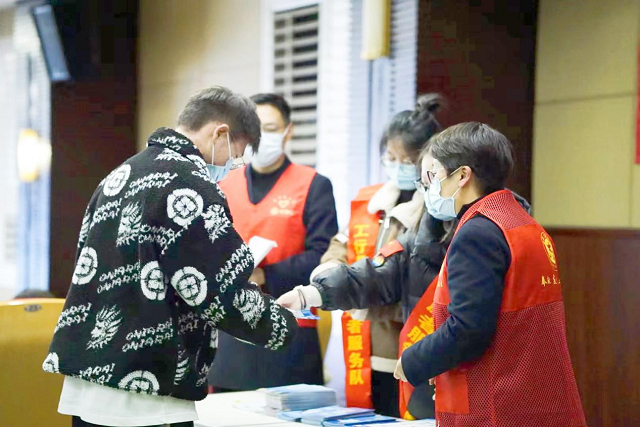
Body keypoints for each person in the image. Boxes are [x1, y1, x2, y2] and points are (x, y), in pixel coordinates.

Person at [282, 122, 585, 426]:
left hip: (497, 399)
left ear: (462, 175)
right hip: (536, 392)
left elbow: (469, 328)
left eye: (430, 175)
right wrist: (312, 293)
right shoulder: (521, 224)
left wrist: (414, 360)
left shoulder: (477, 232)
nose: (425, 186)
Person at [42, 87, 299, 427]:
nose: (229, 168)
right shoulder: (191, 185)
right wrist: (283, 324)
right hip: (147, 390)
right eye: (234, 157)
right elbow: (220, 289)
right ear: (220, 134)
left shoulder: (119, 175)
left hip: (88, 383)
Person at [312, 94, 443, 417]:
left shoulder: (437, 211)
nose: (397, 167)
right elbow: (340, 243)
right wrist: (330, 270)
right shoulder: (371, 201)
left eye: (407, 161)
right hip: (364, 340)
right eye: (391, 158)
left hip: (408, 343)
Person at [208, 93, 338, 390]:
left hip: (290, 329)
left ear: (288, 131)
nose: (260, 136)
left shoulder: (313, 185)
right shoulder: (224, 184)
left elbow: (322, 256)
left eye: (269, 128)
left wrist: (266, 274)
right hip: (231, 332)